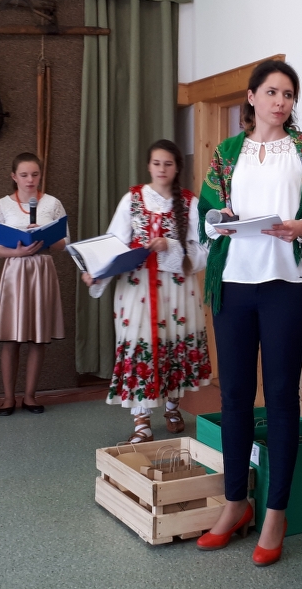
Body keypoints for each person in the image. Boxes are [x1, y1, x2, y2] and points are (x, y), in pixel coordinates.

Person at [195, 59, 302, 566]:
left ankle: (276, 514)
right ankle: (235, 504)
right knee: (233, 395)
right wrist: (220, 218)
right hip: (233, 284)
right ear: (251, 97)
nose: (280, 101)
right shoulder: (227, 152)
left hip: (285, 287)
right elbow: (206, 216)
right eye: (272, 92)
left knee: (279, 397)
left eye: (288, 94)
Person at [81, 140, 211, 443]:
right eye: (156, 163)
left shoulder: (189, 202)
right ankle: (141, 420)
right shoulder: (132, 199)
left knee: (173, 346)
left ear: (177, 167)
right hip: (136, 288)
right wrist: (95, 273)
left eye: (168, 163)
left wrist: (171, 246)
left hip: (177, 290)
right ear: (148, 166)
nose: (162, 169)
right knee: (140, 345)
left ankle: (173, 406)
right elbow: (112, 244)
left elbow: (204, 248)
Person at [0, 152, 69, 416]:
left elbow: (65, 242)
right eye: (24, 175)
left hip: (42, 270)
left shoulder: (53, 203)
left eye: (35, 174)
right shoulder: (2, 205)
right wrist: (17, 252)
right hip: (15, 271)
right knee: (11, 338)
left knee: (38, 338)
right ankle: (8, 398)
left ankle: (30, 396)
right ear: (14, 176)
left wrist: (45, 237)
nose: (30, 179)